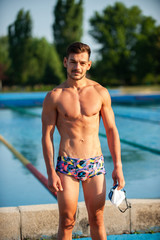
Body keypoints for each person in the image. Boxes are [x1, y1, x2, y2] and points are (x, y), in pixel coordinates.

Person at [42, 42, 125, 240]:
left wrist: (118, 166)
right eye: (72, 62)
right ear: (65, 62)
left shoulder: (100, 92)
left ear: (89, 65)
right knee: (67, 221)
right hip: (67, 165)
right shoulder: (54, 96)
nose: (76, 67)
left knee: (97, 220)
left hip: (94, 163)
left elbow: (112, 130)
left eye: (81, 63)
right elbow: (47, 136)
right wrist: (50, 172)